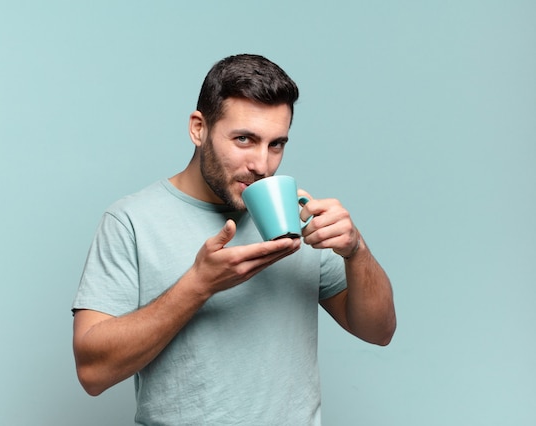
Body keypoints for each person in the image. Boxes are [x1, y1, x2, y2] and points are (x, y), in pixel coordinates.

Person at [72, 53, 396, 425]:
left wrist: (356, 250)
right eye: (244, 139)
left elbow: (379, 331)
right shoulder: (131, 221)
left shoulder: (298, 216)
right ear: (198, 129)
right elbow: (92, 373)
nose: (262, 164)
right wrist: (198, 285)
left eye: (276, 144)